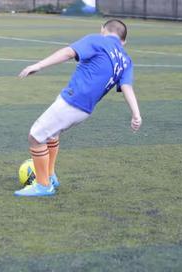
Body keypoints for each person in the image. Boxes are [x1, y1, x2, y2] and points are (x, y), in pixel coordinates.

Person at [14, 19, 142, 197]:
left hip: (73, 101)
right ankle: (50, 175)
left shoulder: (98, 39)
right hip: (85, 110)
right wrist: (136, 114)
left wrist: (38, 65)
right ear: (123, 42)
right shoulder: (125, 60)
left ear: (102, 30)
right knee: (52, 134)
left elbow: (68, 52)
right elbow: (127, 87)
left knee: (35, 136)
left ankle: (43, 185)